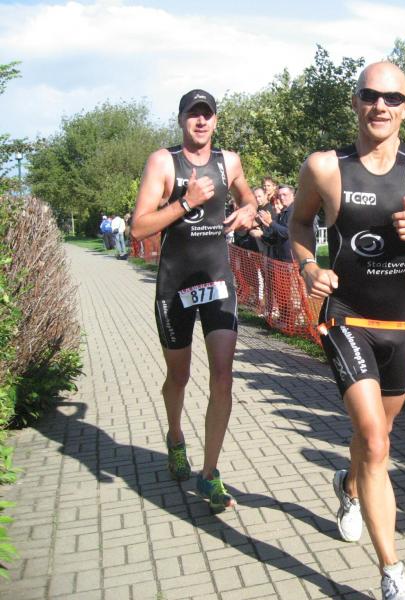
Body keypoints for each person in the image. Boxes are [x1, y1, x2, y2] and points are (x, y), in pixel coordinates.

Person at [289, 61, 405, 600]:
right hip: (346, 317)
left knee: (374, 442)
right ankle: (392, 573)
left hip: (402, 324)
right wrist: (309, 267)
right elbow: (298, 222)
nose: (380, 105)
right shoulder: (325, 167)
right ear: (356, 102)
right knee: (376, 440)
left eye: (392, 98)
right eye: (370, 95)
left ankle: (349, 484)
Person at [130, 89, 257, 513]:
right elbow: (139, 228)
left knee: (223, 376)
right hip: (175, 285)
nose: (201, 122)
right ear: (181, 119)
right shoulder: (163, 162)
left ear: (216, 120)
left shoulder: (229, 161)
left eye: (207, 115)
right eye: (193, 114)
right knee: (179, 376)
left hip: (218, 282)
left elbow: (248, 196)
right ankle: (175, 436)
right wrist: (187, 202)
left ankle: (209, 473)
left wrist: (248, 209)